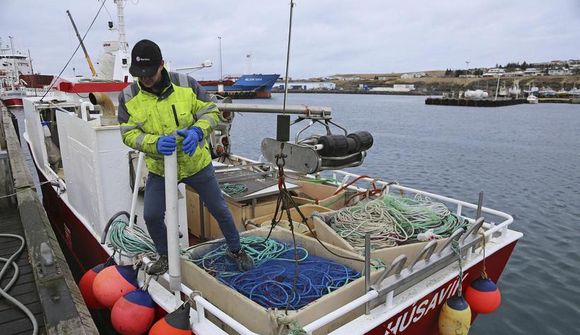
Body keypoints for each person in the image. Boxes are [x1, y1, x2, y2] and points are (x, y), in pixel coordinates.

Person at [117, 39, 253, 274]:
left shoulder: (187, 84)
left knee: (219, 209)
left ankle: (236, 249)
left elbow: (211, 112)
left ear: (161, 65)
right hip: (160, 168)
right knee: (151, 214)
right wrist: (154, 143)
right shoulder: (128, 97)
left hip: (196, 164)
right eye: (140, 74)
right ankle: (165, 255)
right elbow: (128, 134)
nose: (145, 79)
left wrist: (198, 131)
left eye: (149, 72)